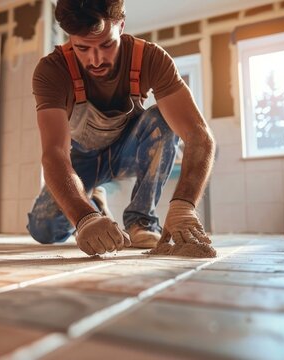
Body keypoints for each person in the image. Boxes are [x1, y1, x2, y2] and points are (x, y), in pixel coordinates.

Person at [27, 0, 215, 256]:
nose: (95, 60)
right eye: (82, 48)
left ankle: (141, 219)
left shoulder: (150, 57)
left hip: (127, 152)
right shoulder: (52, 70)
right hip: (82, 162)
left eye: (106, 44)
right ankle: (94, 202)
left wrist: (184, 206)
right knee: (44, 229)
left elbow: (199, 135)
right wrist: (85, 217)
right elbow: (55, 153)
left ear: (121, 25)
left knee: (162, 119)